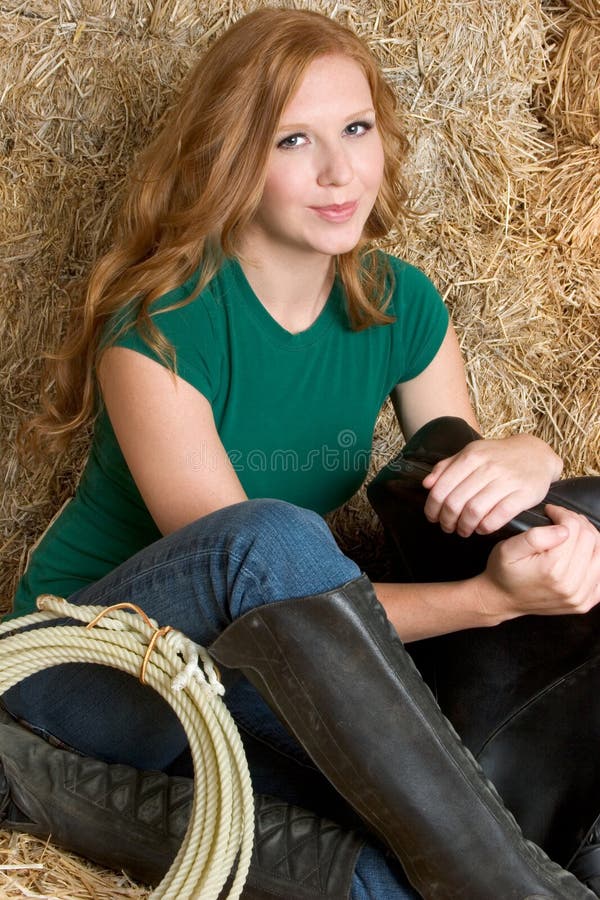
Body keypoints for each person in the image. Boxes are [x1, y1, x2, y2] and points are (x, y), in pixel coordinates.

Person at [1, 7, 599, 899]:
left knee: (389, 877)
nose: (339, 171)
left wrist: (535, 464)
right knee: (268, 536)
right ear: (233, 159)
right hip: (89, 674)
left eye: (356, 128)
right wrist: (483, 602)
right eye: (292, 140)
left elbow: (456, 492)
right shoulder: (158, 333)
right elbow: (260, 592)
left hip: (235, 691)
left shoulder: (401, 306)